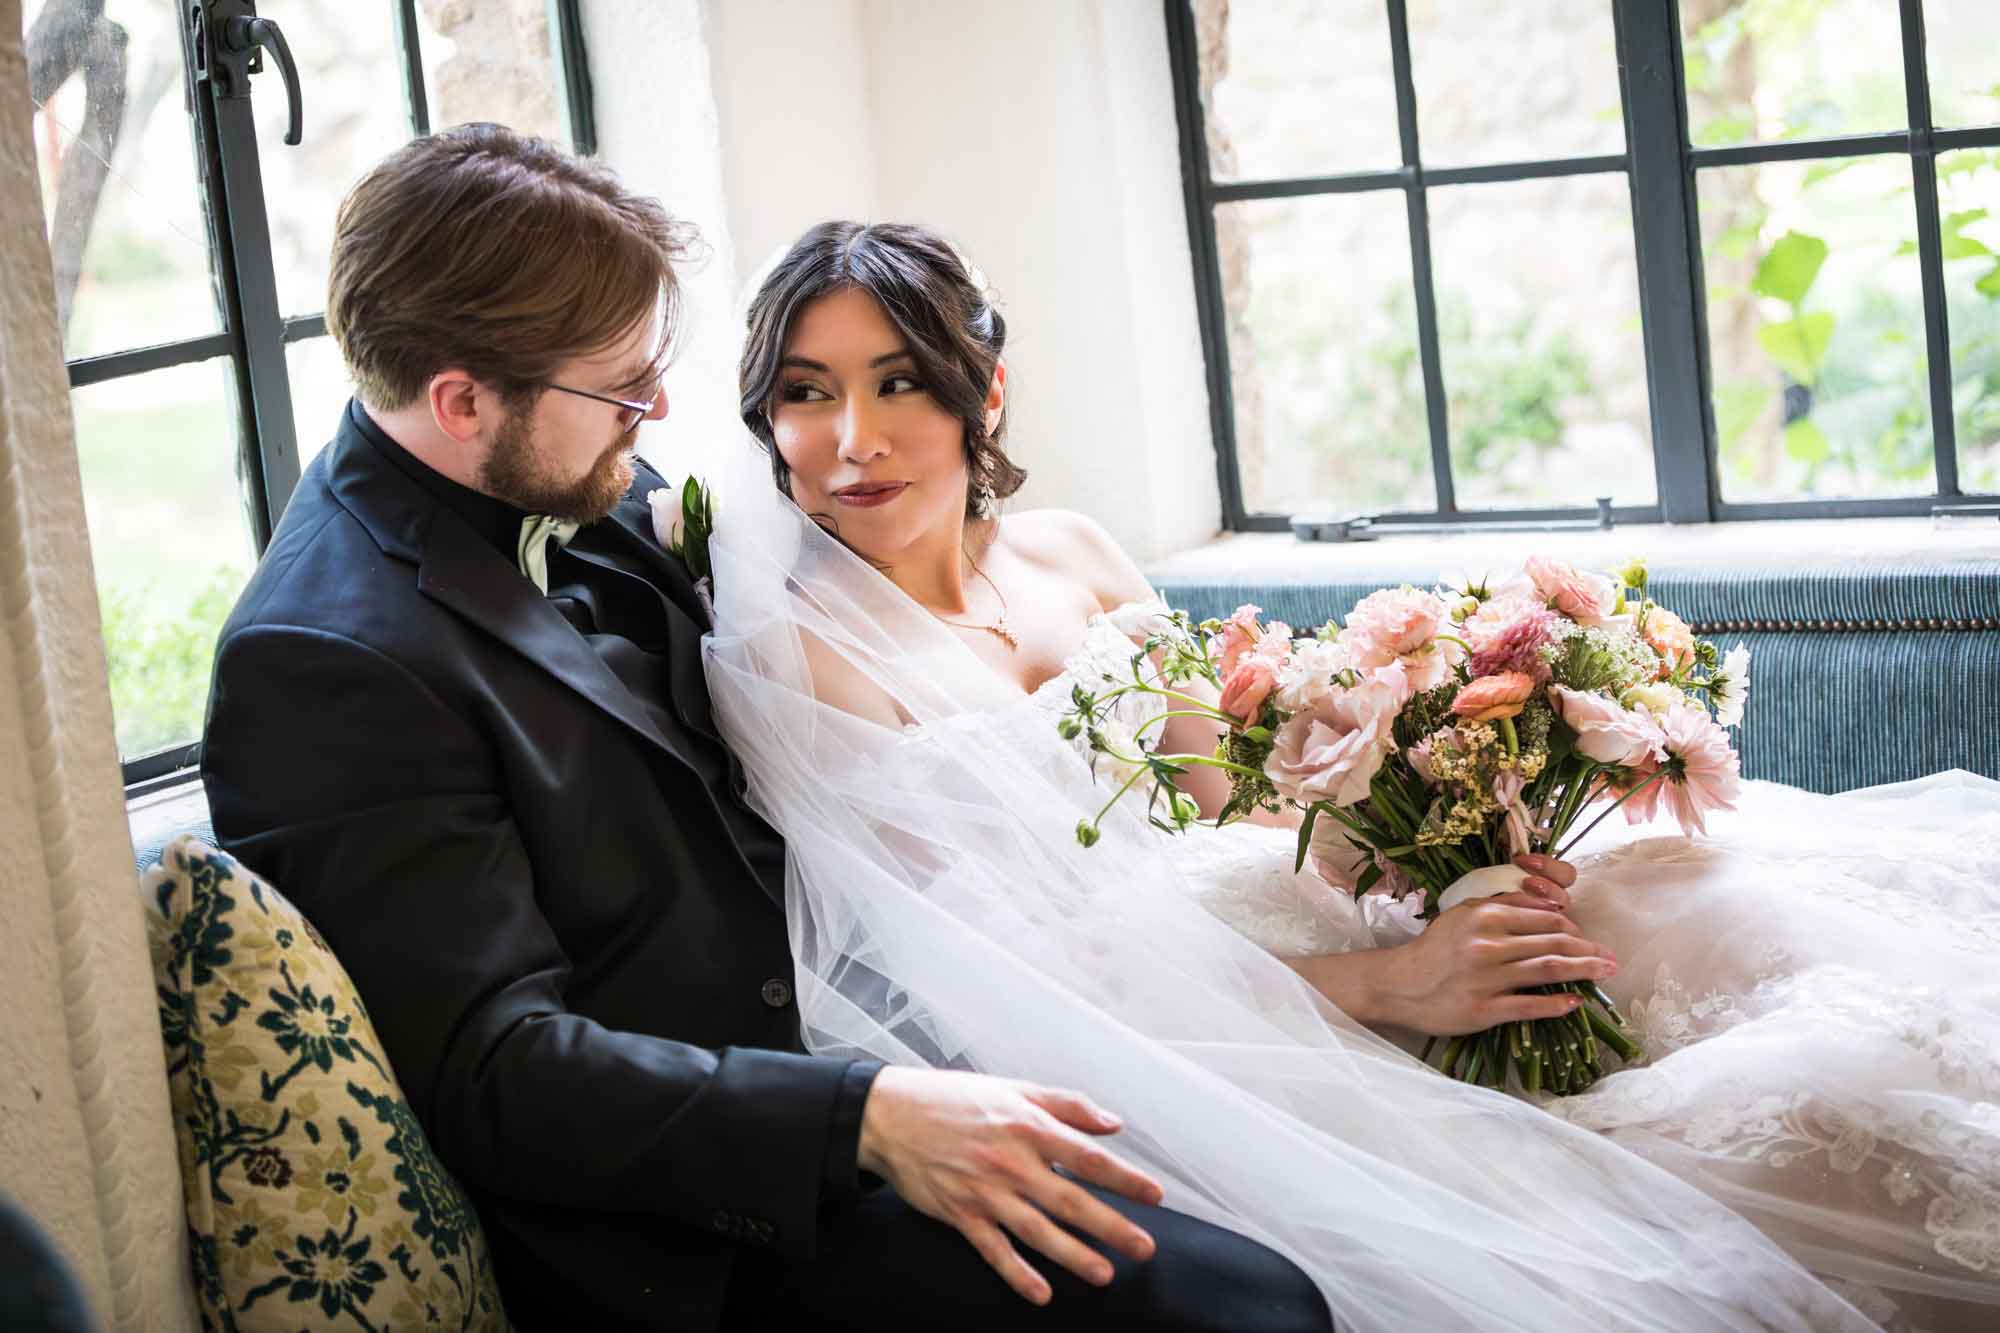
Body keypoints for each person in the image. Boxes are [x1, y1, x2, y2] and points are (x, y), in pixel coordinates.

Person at [703, 219, 2000, 1331]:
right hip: (1211, 1039)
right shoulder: (802, 660)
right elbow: (1005, 991)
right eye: (809, 392)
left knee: (1737, 918)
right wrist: (1397, 982)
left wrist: (1434, 830)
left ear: (982, 391)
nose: (854, 438)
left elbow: (1234, 802)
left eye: (898, 383)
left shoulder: (1072, 551)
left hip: (1283, 910)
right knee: (1783, 1139)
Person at [200, 126, 1335, 1332]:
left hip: (879, 1020)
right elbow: (495, 1074)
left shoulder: (573, 477)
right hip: (708, 1213)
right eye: (621, 385)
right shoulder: (324, 662)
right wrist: (862, 1119)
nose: (657, 407)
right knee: (1252, 1308)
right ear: (460, 400)